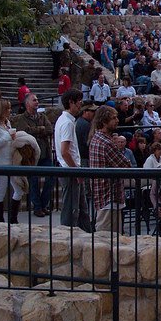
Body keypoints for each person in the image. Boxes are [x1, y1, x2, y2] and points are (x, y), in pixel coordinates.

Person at [88, 106, 129, 234]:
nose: (117, 120)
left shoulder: (96, 137)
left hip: (102, 194)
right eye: (113, 118)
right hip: (108, 195)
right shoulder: (106, 143)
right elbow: (125, 164)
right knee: (106, 236)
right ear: (104, 121)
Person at [12, 93, 55, 217]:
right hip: (31, 155)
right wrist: (40, 130)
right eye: (34, 100)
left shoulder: (42, 117)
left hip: (44, 153)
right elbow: (25, 132)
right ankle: (37, 206)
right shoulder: (22, 119)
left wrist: (36, 130)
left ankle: (43, 203)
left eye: (37, 100)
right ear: (27, 103)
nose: (37, 102)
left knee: (51, 176)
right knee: (33, 181)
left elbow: (49, 129)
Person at [0, 99, 28, 223]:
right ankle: (0, 220)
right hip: (1, 162)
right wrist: (5, 138)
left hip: (12, 161)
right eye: (7, 109)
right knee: (1, 190)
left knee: (19, 189)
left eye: (10, 108)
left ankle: (13, 218)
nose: (9, 111)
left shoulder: (7, 123)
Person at [56, 89, 91, 231]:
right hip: (70, 171)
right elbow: (65, 151)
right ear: (71, 102)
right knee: (71, 209)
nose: (80, 105)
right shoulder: (67, 123)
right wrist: (76, 171)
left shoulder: (64, 120)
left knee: (81, 208)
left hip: (71, 169)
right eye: (79, 102)